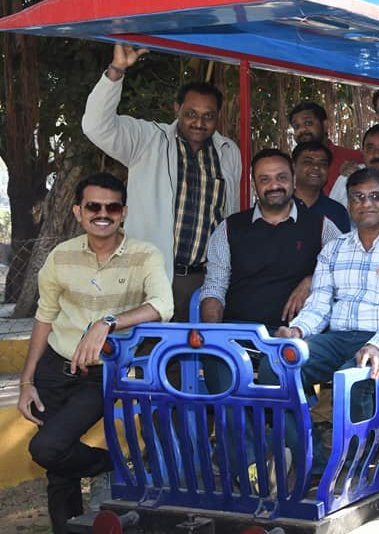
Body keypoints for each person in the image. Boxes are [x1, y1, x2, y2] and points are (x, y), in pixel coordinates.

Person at [17, 173, 173, 533]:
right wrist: (27, 381)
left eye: (112, 206)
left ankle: (112, 464)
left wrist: (108, 321)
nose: (103, 213)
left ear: (124, 212)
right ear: (78, 211)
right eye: (93, 206)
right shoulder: (60, 256)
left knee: (48, 448)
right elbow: (44, 318)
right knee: (58, 475)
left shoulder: (144, 255)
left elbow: (162, 305)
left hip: (100, 377)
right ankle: (72, 521)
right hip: (54, 369)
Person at [276, 167, 379, 468]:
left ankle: (357, 466)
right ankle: (315, 461)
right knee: (280, 365)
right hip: (337, 338)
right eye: (358, 197)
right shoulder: (334, 250)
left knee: (356, 375)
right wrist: (296, 331)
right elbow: (318, 306)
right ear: (349, 205)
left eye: (376, 196)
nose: (367, 203)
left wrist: (376, 346)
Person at [82, 43, 241, 321]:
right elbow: (96, 126)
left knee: (197, 356)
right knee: (150, 354)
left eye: (208, 116)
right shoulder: (148, 140)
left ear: (218, 116)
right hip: (151, 273)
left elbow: (232, 216)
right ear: (177, 109)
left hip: (205, 280)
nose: (199, 123)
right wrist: (117, 71)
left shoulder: (229, 152)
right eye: (191, 113)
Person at [200, 149, 337, 330]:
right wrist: (213, 337)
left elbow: (344, 271)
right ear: (254, 184)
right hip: (239, 334)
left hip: (298, 337)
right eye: (265, 179)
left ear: (294, 180)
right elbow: (214, 288)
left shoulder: (321, 226)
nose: (274, 186)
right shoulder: (228, 228)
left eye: (281, 177)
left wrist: (312, 280)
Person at [329, 123, 379, 226]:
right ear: (363, 152)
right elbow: (331, 222)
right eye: (370, 149)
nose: (376, 154)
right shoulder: (347, 178)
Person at [288, 101, 364, 195]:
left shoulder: (353, 158)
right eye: (296, 126)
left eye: (308, 123)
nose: (302, 130)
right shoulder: (288, 167)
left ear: (325, 125)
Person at [291, 141, 351, 234]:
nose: (316, 167)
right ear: (293, 166)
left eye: (323, 164)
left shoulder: (337, 211)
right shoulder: (281, 206)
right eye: (308, 161)